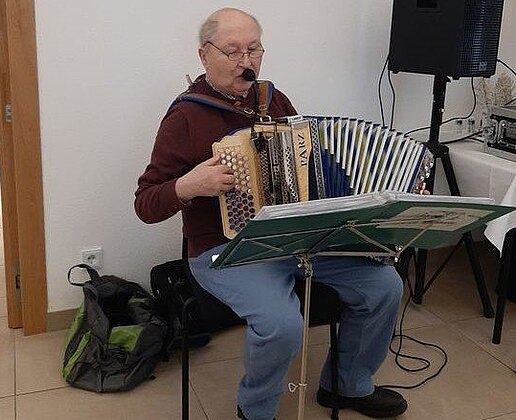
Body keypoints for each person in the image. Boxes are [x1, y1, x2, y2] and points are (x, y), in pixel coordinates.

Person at [135, 8, 408, 420]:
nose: (245, 61)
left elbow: (311, 169)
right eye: (232, 51)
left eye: (254, 49)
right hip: (224, 249)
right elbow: (145, 203)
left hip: (293, 238)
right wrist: (190, 185)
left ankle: (346, 385)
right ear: (204, 55)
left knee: (384, 286)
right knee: (282, 324)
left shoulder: (273, 100)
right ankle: (256, 410)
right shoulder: (185, 116)